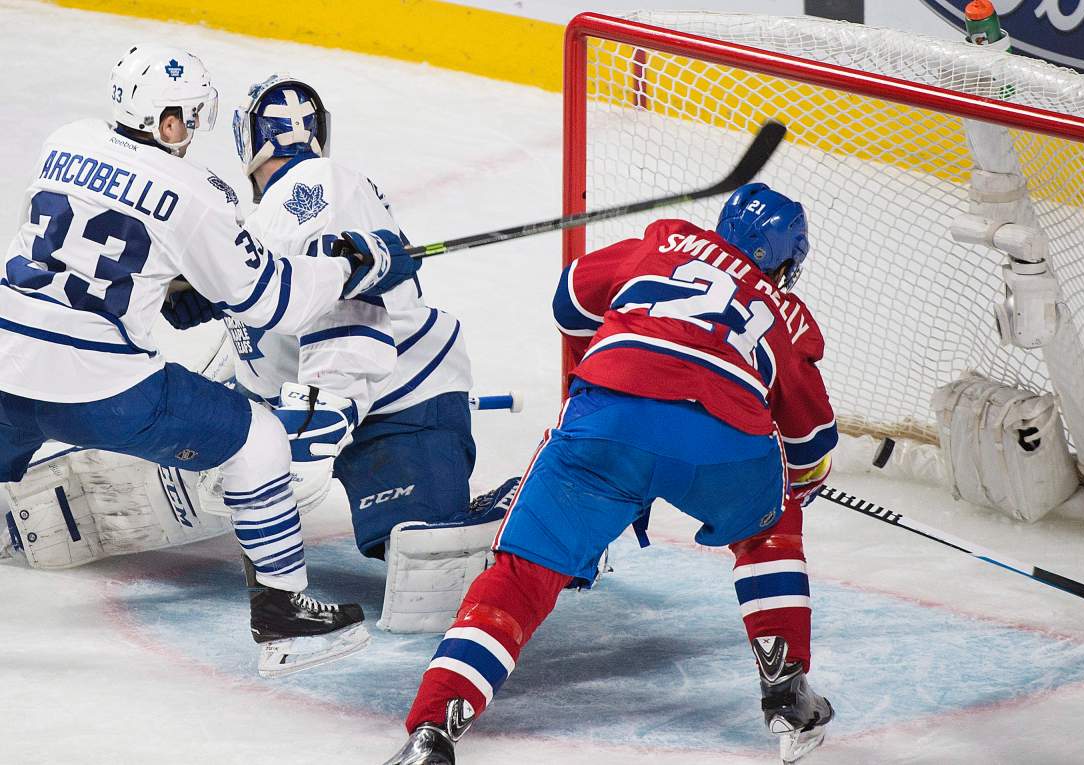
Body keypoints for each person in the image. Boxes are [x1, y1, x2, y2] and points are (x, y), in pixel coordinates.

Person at [0, 45, 419, 677]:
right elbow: (273, 301)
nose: (191, 132)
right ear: (166, 122)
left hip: (5, 357)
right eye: (188, 119)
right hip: (100, 384)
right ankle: (284, 620)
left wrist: (183, 287)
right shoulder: (192, 190)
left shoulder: (65, 140)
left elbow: (97, 249)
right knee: (259, 441)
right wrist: (358, 265)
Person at [383, 183, 838, 765]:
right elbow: (809, 443)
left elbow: (570, 298)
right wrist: (793, 486)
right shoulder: (790, 316)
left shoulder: (667, 242)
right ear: (785, 259)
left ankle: (434, 731)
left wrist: (587, 378)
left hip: (605, 419)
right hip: (725, 442)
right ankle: (786, 688)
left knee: (522, 575)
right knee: (770, 529)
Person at [161, 73, 515, 634]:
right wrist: (202, 291)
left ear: (249, 143)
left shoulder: (317, 186)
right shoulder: (261, 223)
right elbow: (268, 314)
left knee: (426, 565)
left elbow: (347, 310)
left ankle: (531, 505)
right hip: (318, 402)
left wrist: (315, 426)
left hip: (403, 401)